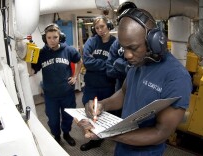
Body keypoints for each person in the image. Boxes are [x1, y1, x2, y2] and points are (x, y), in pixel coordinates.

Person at [77, 8, 192, 156]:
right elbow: (125, 93)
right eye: (124, 48)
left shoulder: (176, 77)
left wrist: (108, 134)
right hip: (123, 146)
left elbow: (160, 133)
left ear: (154, 42)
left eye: (132, 48)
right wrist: (102, 105)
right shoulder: (139, 62)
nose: (127, 55)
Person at [29, 23, 82, 146]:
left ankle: (66, 134)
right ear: (45, 39)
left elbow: (79, 61)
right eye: (49, 38)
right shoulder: (41, 53)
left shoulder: (69, 50)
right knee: (53, 120)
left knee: (68, 116)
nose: (52, 41)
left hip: (67, 93)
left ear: (60, 37)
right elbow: (31, 72)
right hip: (50, 95)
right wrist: (27, 58)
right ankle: (57, 135)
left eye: (55, 37)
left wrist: (75, 77)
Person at [81, 16, 117, 151]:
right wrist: (106, 64)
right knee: (90, 112)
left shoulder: (115, 43)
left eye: (102, 26)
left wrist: (97, 64)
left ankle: (101, 136)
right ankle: (93, 139)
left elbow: (115, 64)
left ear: (108, 26)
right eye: (97, 28)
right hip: (91, 85)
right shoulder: (91, 41)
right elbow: (87, 62)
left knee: (104, 113)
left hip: (108, 85)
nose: (100, 30)